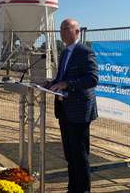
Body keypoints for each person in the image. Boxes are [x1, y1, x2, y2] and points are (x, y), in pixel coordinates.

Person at [48, 19, 98, 193]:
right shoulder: (64, 53)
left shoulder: (85, 52)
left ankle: (83, 190)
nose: (61, 32)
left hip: (79, 111)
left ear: (77, 32)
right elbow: (60, 78)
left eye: (66, 28)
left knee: (80, 155)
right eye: (60, 28)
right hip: (64, 110)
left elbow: (92, 79)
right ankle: (72, 189)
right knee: (70, 154)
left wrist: (67, 84)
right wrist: (48, 83)